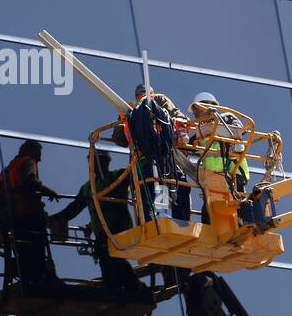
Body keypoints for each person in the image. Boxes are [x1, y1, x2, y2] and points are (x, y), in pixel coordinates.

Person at [50, 151, 142, 291]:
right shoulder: (88, 187)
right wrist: (55, 218)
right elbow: (73, 208)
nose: (92, 167)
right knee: (107, 260)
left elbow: (136, 175)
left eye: (95, 162)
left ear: (105, 163)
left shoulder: (117, 177)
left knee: (113, 260)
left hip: (118, 228)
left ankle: (130, 289)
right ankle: (120, 290)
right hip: (102, 232)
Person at [0, 140, 61, 287]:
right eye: (38, 155)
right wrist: (48, 191)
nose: (39, 159)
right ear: (31, 151)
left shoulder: (5, 171)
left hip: (14, 220)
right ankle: (40, 280)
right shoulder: (28, 161)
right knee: (36, 250)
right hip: (30, 216)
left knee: (23, 252)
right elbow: (30, 180)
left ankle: (27, 279)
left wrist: (3, 219)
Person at [127, 84, 191, 223]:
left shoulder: (129, 109)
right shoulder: (159, 99)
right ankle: (182, 224)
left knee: (146, 197)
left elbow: (118, 135)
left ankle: (149, 224)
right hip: (165, 159)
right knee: (174, 191)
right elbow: (180, 117)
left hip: (142, 161)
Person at [186, 91, 250, 222]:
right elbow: (186, 145)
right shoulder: (202, 131)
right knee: (208, 217)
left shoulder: (226, 117)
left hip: (233, 174)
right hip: (214, 179)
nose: (194, 114)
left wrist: (216, 125)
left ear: (205, 106)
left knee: (236, 212)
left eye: (195, 109)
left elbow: (238, 130)